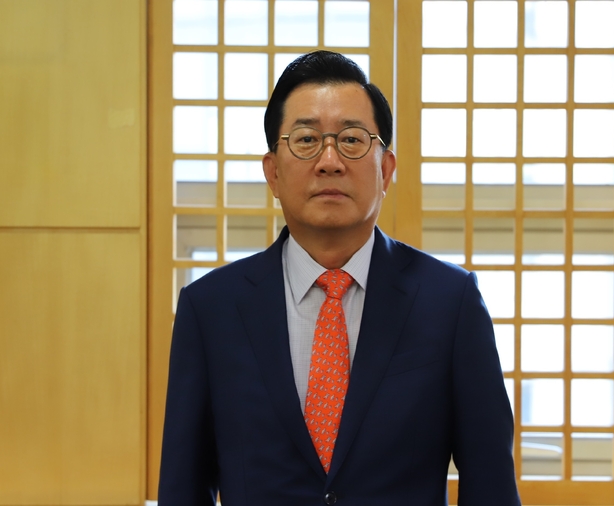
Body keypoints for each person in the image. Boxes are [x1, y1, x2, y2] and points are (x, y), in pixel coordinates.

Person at [158, 50, 520, 506]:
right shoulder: (210, 308)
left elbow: (490, 486)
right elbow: (183, 487)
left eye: (351, 140)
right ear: (272, 172)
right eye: (307, 140)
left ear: (385, 170)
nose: (329, 161)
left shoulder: (450, 302)